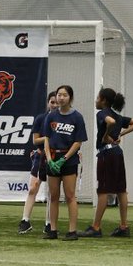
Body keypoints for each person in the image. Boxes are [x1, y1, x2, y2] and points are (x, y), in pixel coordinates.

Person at [83, 88, 133, 238]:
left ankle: (95, 227)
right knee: (121, 190)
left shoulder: (102, 113)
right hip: (117, 153)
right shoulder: (118, 116)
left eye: (97, 98)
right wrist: (121, 133)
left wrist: (106, 135)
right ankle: (123, 226)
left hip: (106, 154)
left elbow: (111, 122)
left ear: (103, 100)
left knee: (103, 190)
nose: (96, 101)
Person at [41, 84, 88, 240]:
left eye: (64, 95)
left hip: (69, 161)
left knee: (70, 196)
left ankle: (72, 231)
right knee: (53, 196)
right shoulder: (51, 116)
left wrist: (64, 159)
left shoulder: (77, 117)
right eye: (59, 95)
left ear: (71, 98)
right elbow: (46, 139)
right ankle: (52, 230)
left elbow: (78, 142)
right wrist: (49, 159)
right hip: (53, 160)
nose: (61, 98)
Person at [18, 91, 57, 234]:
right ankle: (25, 221)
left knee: (52, 194)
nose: (54, 105)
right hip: (40, 157)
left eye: (57, 102)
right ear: (48, 103)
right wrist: (49, 138)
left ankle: (48, 224)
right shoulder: (41, 118)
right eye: (52, 102)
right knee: (33, 188)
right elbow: (35, 140)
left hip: (55, 158)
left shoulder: (63, 121)